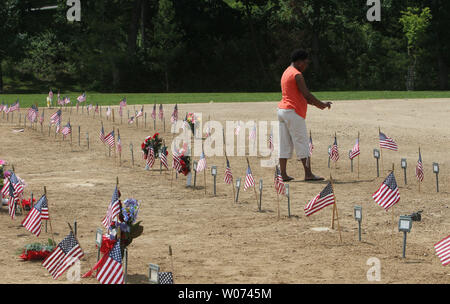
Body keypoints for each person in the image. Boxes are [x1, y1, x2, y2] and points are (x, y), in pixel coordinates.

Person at [277, 49, 332, 182]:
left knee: (284, 144)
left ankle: (283, 174)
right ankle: (308, 174)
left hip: (282, 111)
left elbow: (302, 97)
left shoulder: (286, 72)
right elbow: (307, 95)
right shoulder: (297, 75)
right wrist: (321, 105)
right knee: (302, 143)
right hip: (293, 112)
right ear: (299, 62)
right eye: (306, 62)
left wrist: (319, 104)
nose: (306, 65)